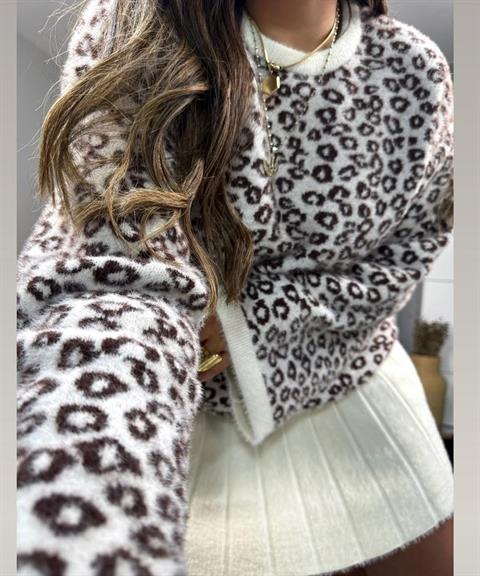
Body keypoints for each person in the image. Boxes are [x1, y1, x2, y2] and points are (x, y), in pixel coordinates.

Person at [17, 0, 454, 574]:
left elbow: (415, 241)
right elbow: (113, 281)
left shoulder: (415, 68)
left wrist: (252, 322)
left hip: (369, 397)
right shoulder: (136, 29)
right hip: (201, 439)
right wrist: (78, 491)